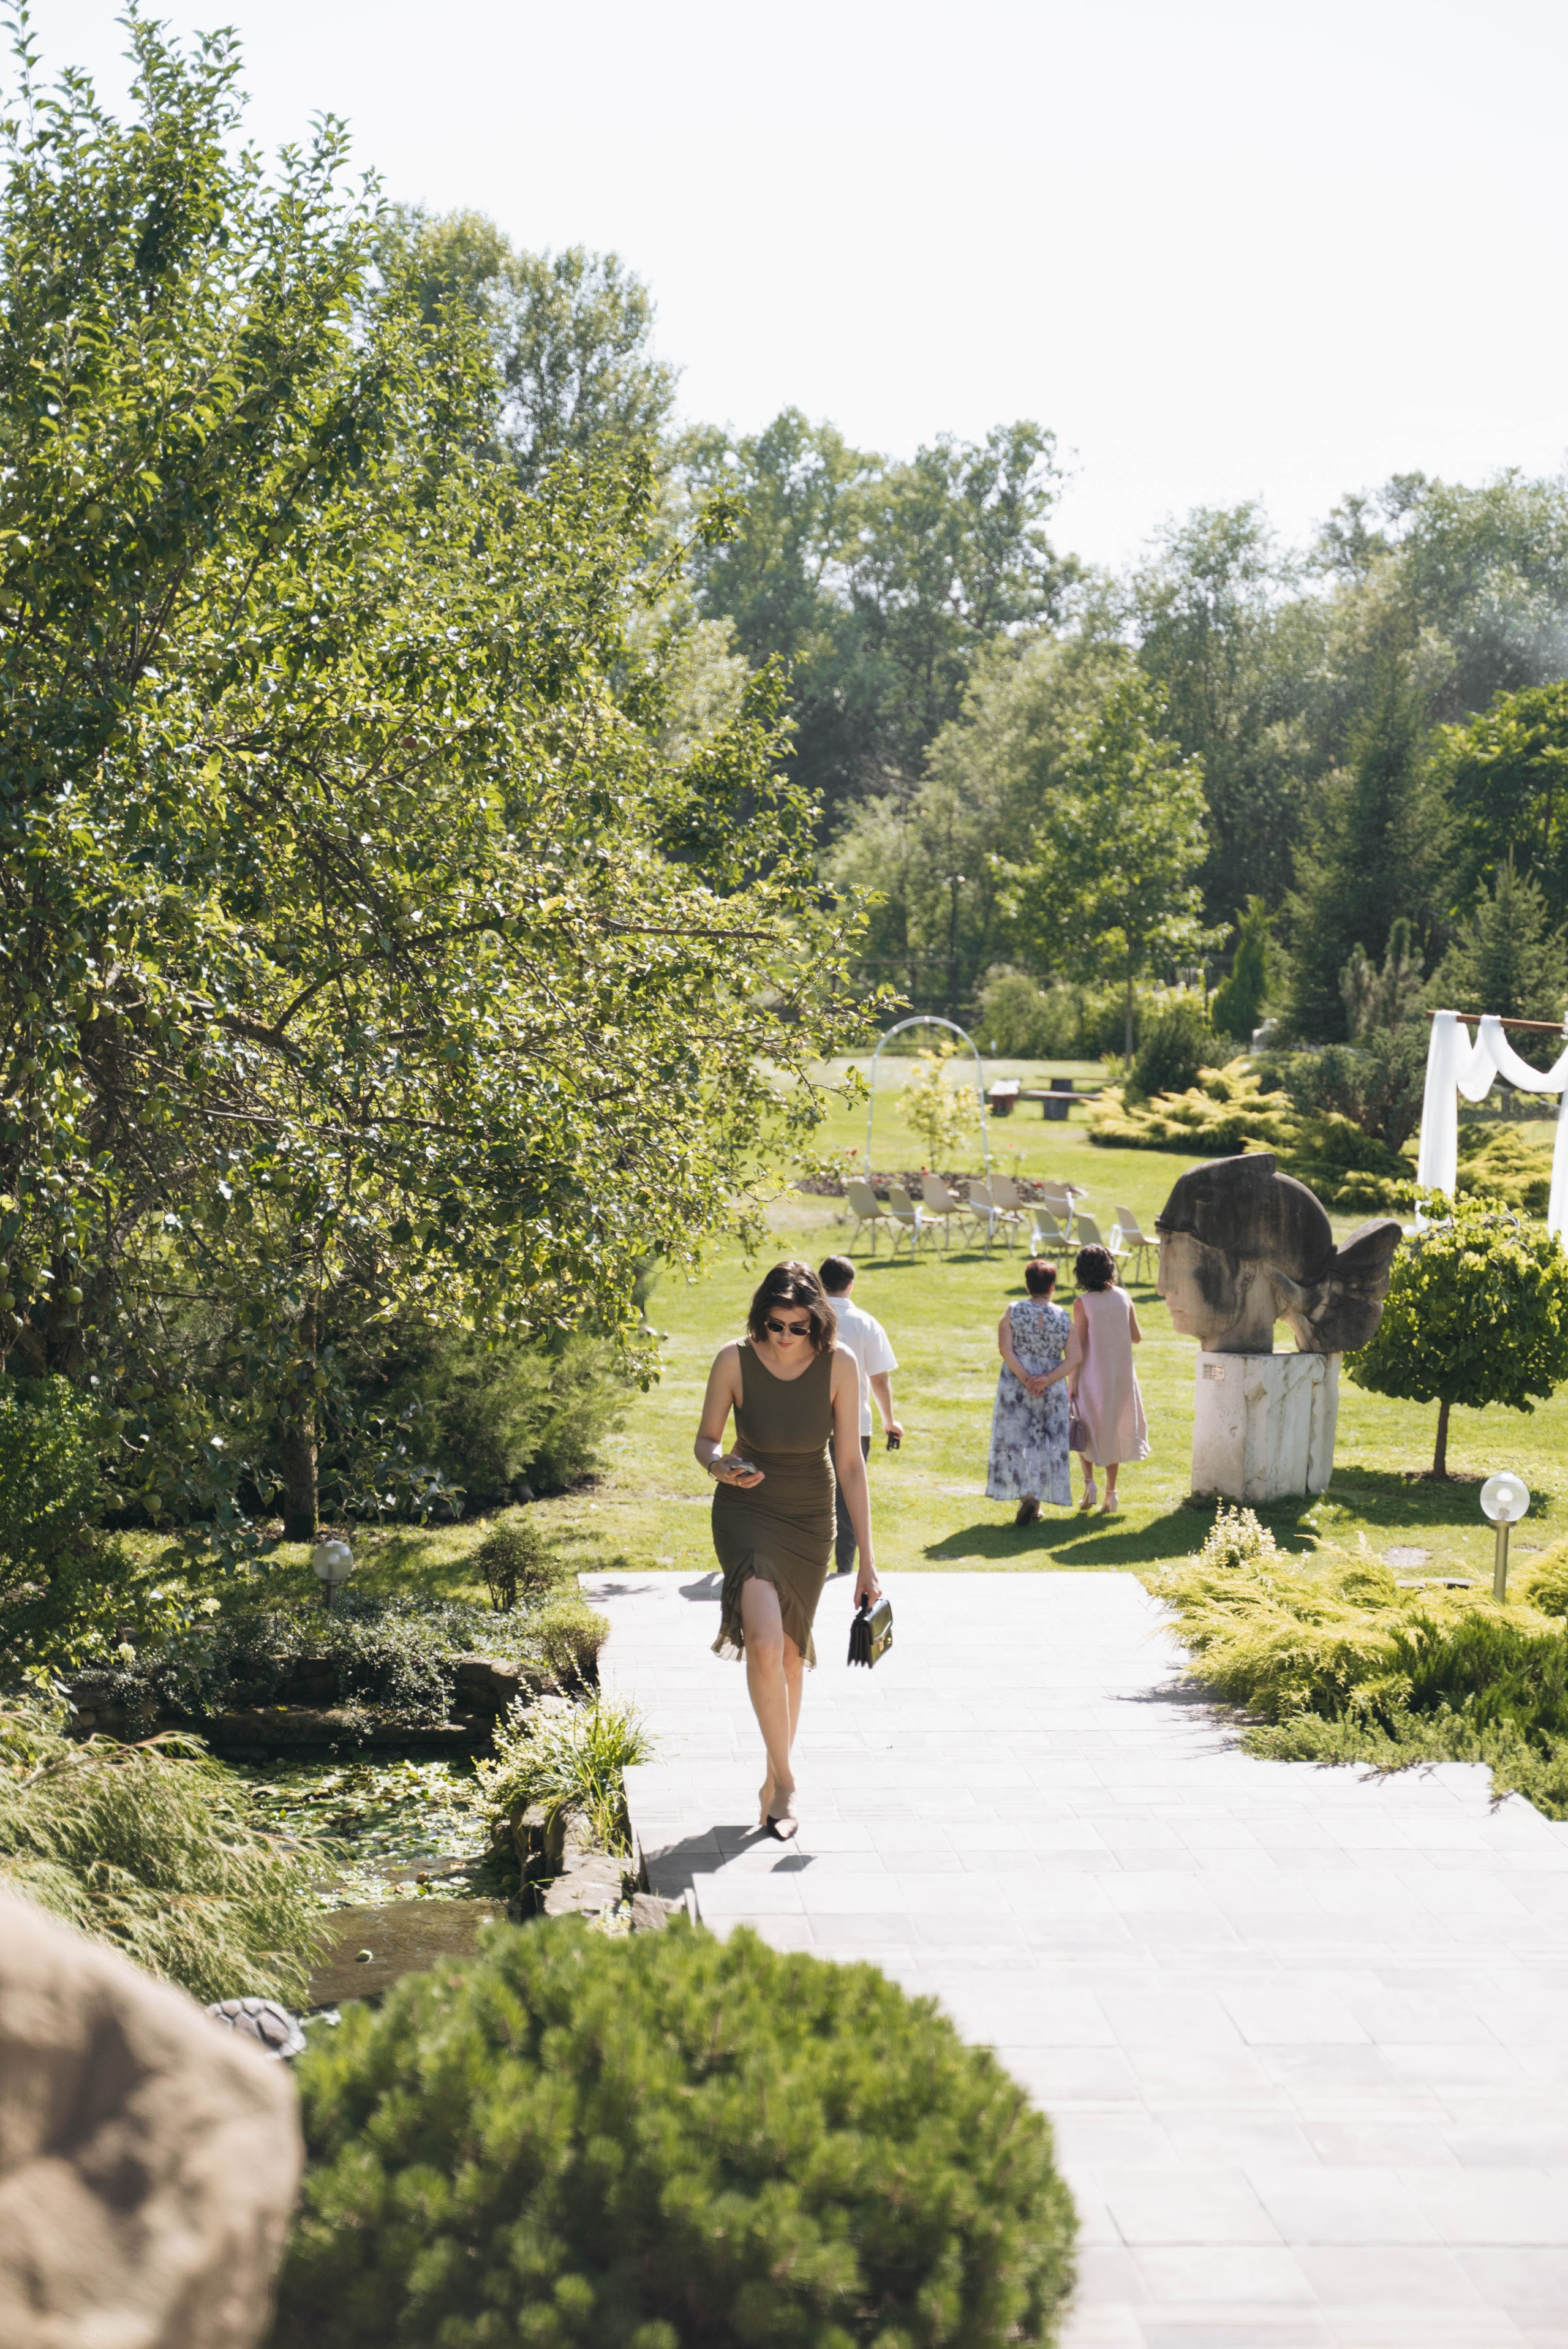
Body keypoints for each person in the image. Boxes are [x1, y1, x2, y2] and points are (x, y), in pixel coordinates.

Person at [694, 1259, 878, 1841]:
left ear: (817, 1321)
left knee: (792, 1659)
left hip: (808, 1516)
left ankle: (771, 1784)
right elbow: (706, 1441)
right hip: (746, 1512)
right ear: (762, 1314)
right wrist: (720, 1465)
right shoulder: (734, 1358)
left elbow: (850, 1463)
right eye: (775, 1323)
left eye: (798, 1326)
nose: (784, 1336)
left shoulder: (840, 1365)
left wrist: (867, 1560)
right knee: (765, 1642)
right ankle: (789, 1781)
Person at [817, 1254, 902, 1574]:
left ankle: (812, 1562)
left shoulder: (809, 1319)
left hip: (812, 1419)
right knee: (850, 1496)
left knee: (814, 1494)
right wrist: (889, 1420)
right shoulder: (866, 1323)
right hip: (855, 1422)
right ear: (850, 1285)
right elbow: (878, 1377)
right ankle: (845, 1567)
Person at [986, 1258, 1073, 1525]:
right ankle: (1035, 1498)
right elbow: (1075, 1357)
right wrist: (1046, 1380)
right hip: (1051, 1386)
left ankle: (1028, 1496)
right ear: (1053, 1287)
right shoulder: (1063, 1316)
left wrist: (1026, 1379)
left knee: (1016, 1439)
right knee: (1045, 1441)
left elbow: (1006, 1348)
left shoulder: (1013, 1310)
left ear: (1027, 1285)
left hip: (1016, 1383)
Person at [1068, 1241, 1148, 1513]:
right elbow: (1136, 1337)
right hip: (1121, 1375)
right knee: (1113, 1428)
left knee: (1085, 1427)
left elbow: (1077, 1347)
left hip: (1092, 1374)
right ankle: (1111, 1493)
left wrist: (1071, 1384)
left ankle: (1089, 1484)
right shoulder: (1123, 1297)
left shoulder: (1083, 1304)